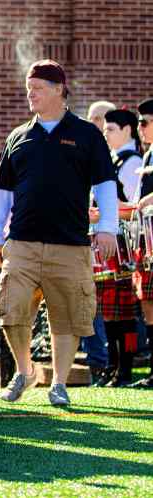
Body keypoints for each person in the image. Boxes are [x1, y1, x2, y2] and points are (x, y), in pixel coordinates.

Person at [0, 59, 117, 407]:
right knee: (10, 309)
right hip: (22, 244)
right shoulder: (18, 136)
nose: (31, 93)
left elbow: (105, 184)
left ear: (59, 90)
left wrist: (107, 228)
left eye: (38, 88)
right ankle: (24, 371)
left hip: (71, 245)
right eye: (29, 87)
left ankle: (58, 384)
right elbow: (2, 194)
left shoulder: (88, 135)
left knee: (67, 317)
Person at [91, 109, 144, 387]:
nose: (106, 133)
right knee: (109, 314)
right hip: (110, 243)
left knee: (124, 315)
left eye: (110, 128)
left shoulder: (132, 162)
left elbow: (133, 209)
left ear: (127, 130)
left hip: (125, 243)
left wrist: (99, 214)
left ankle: (125, 369)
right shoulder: (112, 160)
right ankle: (113, 366)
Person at [132, 97, 153, 388]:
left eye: (144, 122)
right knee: (147, 301)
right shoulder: (148, 156)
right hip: (146, 238)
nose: (140, 128)